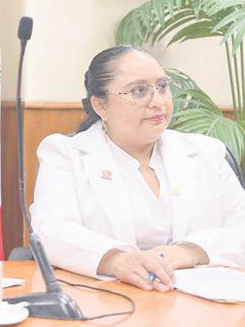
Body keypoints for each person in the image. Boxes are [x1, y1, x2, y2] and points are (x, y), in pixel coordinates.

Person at [31, 45, 245, 291]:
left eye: (162, 87)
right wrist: (116, 260)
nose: (158, 102)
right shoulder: (66, 154)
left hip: (200, 300)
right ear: (100, 106)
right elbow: (51, 232)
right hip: (109, 299)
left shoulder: (206, 152)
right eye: (139, 91)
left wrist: (188, 251)